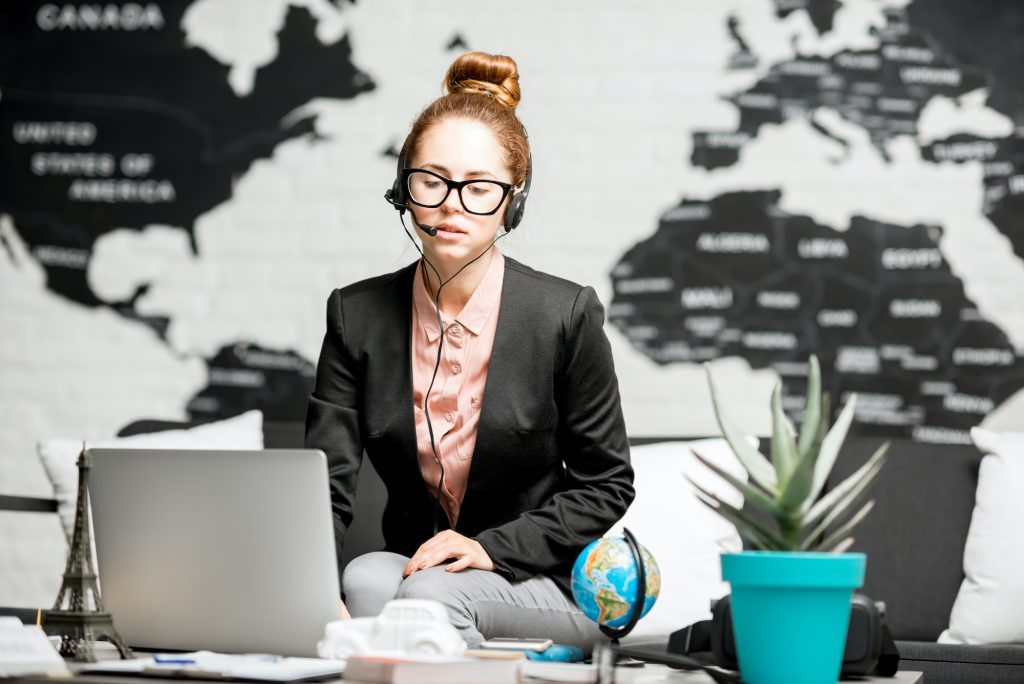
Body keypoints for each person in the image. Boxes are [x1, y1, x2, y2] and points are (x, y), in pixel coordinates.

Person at [304, 51, 634, 650]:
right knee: (363, 580)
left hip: (542, 578)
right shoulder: (355, 315)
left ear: (513, 201)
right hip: (420, 568)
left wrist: (488, 548)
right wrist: (310, 589)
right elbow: (325, 480)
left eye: (479, 187)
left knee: (430, 596)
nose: (452, 203)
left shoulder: (566, 314)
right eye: (431, 180)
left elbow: (606, 484)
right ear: (401, 189)